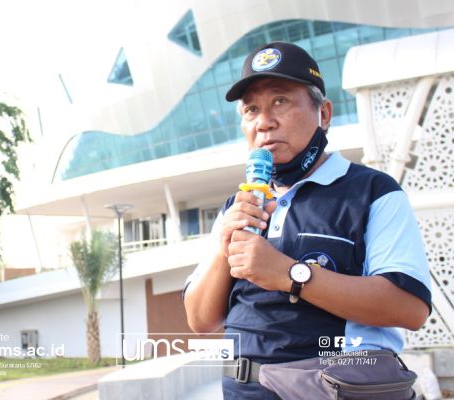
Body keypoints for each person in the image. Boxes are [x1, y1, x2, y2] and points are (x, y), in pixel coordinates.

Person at [182, 42, 432, 399]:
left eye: (280, 101)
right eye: (251, 110)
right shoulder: (235, 208)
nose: (264, 122)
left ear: (324, 114)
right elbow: (200, 321)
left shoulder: (374, 191)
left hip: (336, 385)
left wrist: (289, 274)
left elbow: (410, 308)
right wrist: (226, 248)